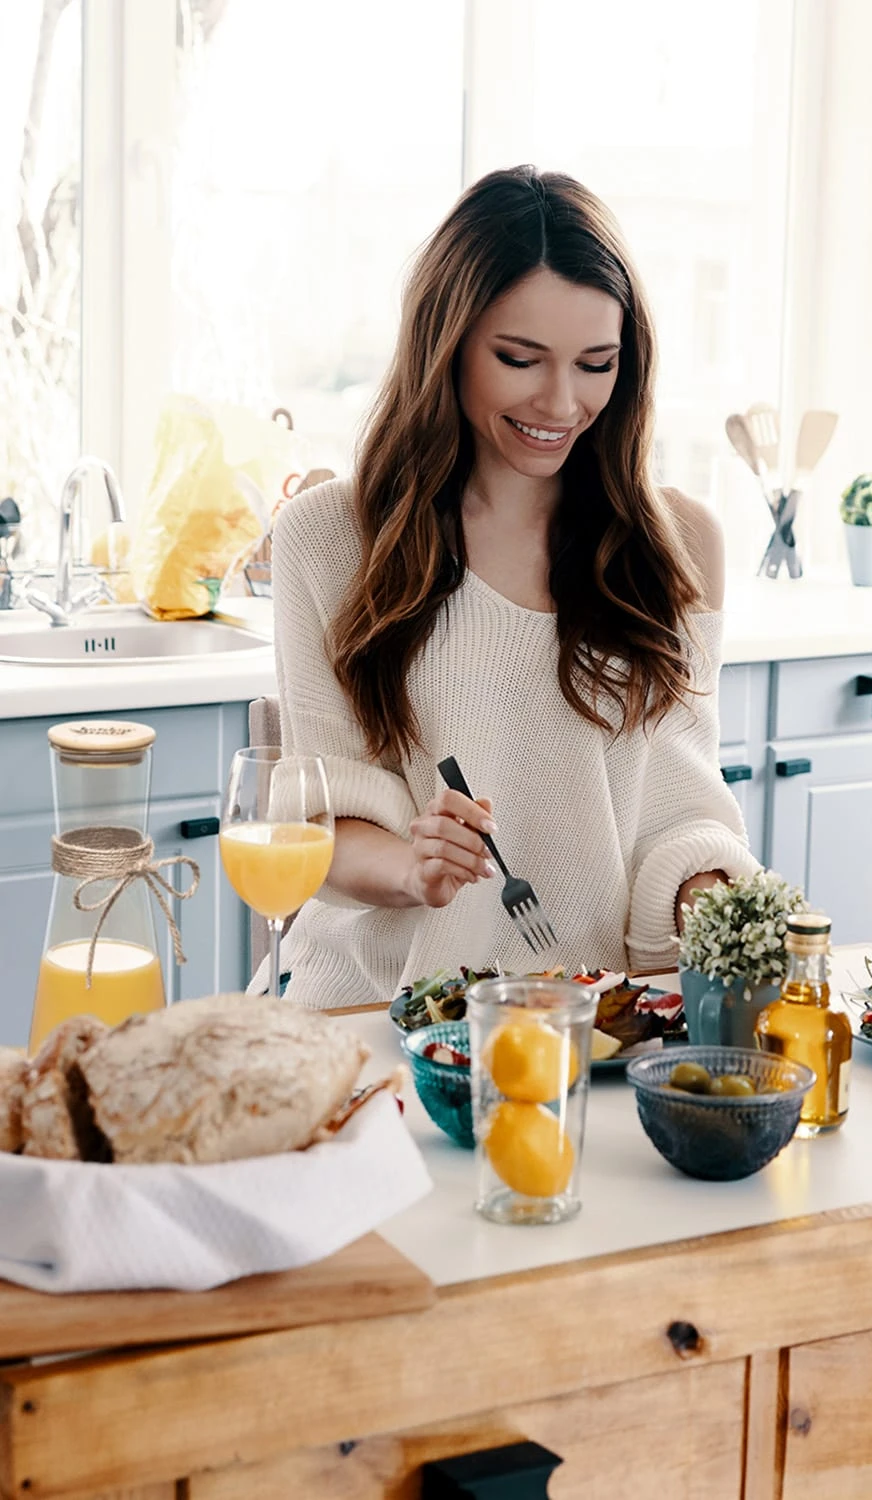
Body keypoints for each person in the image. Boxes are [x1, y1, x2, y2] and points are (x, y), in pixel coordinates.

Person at [267, 166, 758, 1008]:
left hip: (594, 1021)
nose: (562, 403)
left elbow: (679, 812)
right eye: (519, 359)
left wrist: (719, 909)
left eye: (596, 364)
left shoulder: (677, 546)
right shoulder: (329, 539)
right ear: (446, 344)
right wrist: (413, 863)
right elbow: (315, 820)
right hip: (376, 1015)